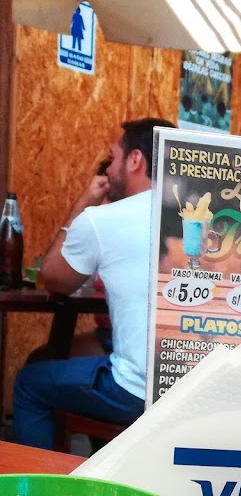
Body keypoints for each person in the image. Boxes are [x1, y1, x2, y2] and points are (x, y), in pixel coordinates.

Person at [14, 117, 173, 451]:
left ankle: (43, 482)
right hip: (195, 391)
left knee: (30, 383)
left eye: (113, 158)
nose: (108, 169)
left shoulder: (104, 219)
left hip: (136, 392)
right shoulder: (201, 216)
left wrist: (83, 203)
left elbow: (55, 279)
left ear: (135, 160)